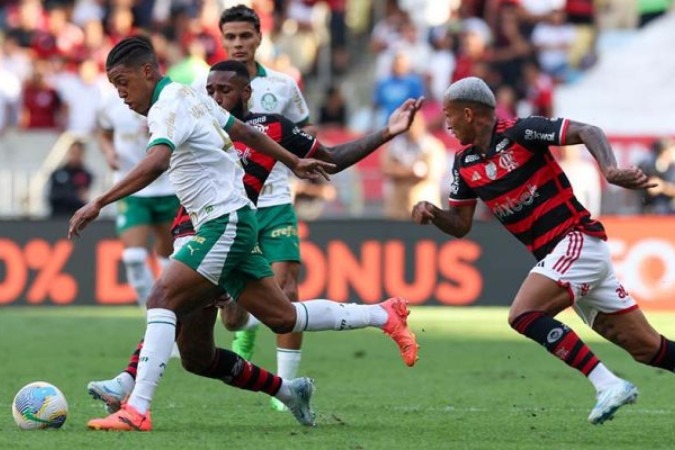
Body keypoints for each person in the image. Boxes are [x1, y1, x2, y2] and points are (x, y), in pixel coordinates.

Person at [70, 36, 418, 432]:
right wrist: (293, 161)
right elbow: (246, 133)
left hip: (224, 221)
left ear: (148, 72)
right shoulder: (189, 96)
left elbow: (156, 163)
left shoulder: (169, 106)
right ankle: (380, 316)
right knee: (278, 319)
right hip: (227, 221)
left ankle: (136, 408)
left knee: (163, 298)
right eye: (114, 87)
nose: (121, 95)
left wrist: (99, 201)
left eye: (123, 82)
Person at [412, 77, 675, 425]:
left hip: (576, 239)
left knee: (522, 313)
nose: (445, 123)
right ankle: (610, 382)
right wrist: (434, 215)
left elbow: (587, 130)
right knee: (648, 349)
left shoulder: (521, 132)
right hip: (564, 257)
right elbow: (461, 225)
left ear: (468, 113)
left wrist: (609, 169)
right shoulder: (464, 165)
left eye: (448, 115)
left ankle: (607, 384)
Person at [207, 5, 320, 411]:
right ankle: (248, 324)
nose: (238, 44)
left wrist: (305, 164)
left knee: (289, 289)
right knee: (234, 317)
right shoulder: (210, 86)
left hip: (274, 199)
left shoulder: (284, 86)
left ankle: (288, 388)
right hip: (229, 205)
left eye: (245, 36)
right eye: (231, 37)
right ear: (222, 40)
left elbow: (303, 132)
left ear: (259, 37)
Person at [98, 90, 179, 307]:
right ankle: (152, 316)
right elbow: (104, 134)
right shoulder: (110, 103)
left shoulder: (168, 100)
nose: (120, 85)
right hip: (131, 188)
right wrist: (109, 153)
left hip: (168, 187)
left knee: (171, 260)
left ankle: (171, 313)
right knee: (133, 258)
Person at [48, 140, 93, 217]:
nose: (75, 156)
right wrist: (75, 196)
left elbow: (83, 200)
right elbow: (53, 197)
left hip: (77, 218)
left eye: (78, 153)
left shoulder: (86, 175)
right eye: (73, 153)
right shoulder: (58, 173)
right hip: (57, 217)